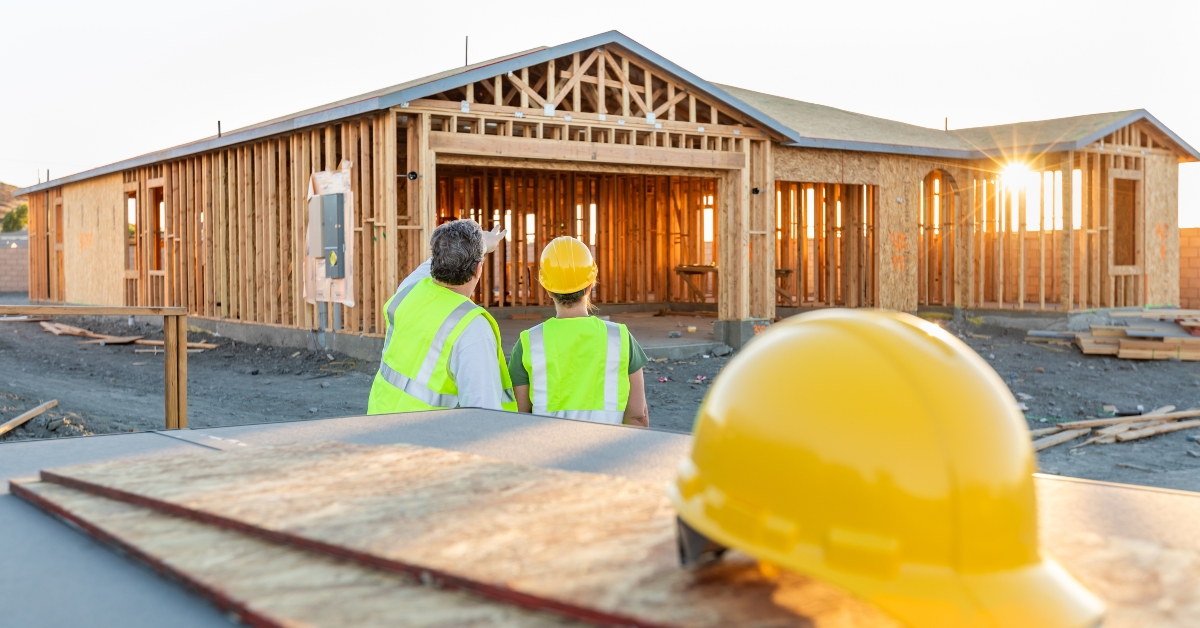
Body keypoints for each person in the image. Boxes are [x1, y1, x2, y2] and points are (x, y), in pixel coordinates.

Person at [367, 219, 517, 414]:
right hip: (423, 438)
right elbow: (483, 413)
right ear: (478, 269)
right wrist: (481, 244)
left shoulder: (409, 289)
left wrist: (480, 244)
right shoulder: (471, 327)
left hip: (375, 422)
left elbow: (438, 259)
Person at [510, 237, 650, 427]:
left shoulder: (529, 343)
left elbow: (518, 418)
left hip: (547, 453)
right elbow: (637, 417)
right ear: (591, 284)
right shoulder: (619, 338)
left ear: (547, 289)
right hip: (608, 453)